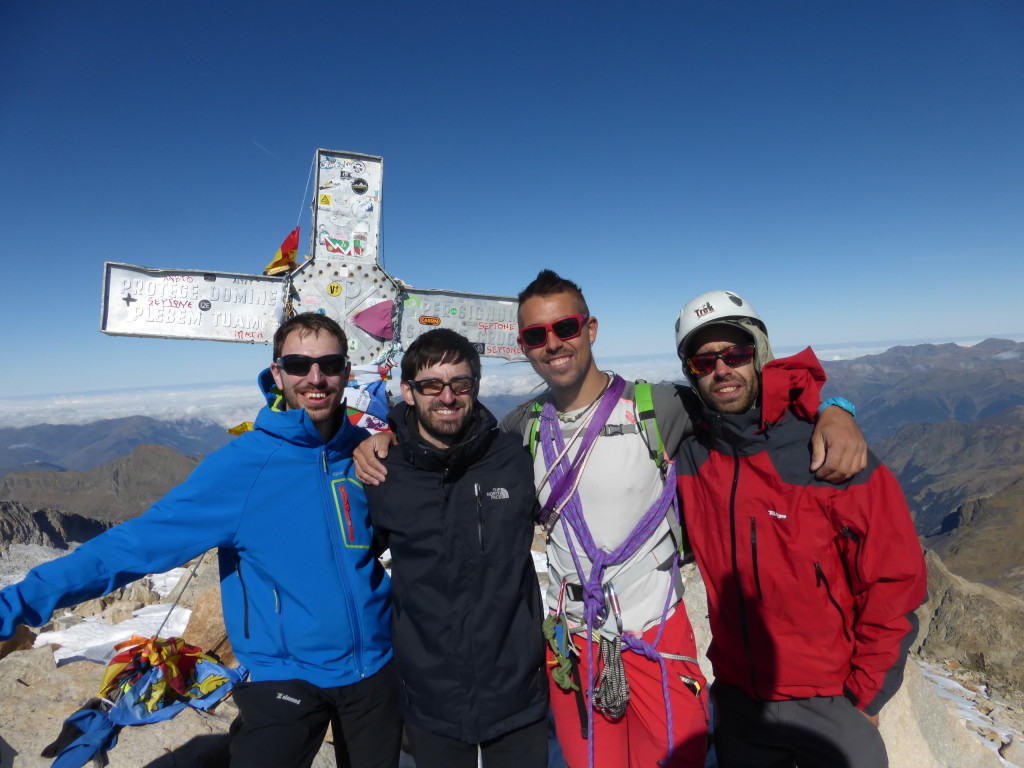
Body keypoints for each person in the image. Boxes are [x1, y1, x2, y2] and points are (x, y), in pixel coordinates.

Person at [357, 270, 867, 768]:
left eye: (566, 328)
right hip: (571, 647)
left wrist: (833, 407)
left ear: (590, 329)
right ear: (524, 346)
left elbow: (743, 404)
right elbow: (452, 446)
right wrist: (391, 437)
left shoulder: (658, 407)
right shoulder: (520, 429)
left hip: (653, 636)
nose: (553, 343)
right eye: (537, 334)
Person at [0, 313, 402, 768]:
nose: (315, 377)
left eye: (329, 364)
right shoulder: (243, 467)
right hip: (285, 677)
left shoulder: (365, 452)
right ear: (277, 374)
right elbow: (132, 545)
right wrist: (16, 603)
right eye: (298, 364)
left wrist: (391, 433)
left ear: (346, 372)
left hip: (376, 668)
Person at [672, 290, 927, 768]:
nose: (722, 370)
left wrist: (863, 699)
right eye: (703, 362)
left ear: (760, 354)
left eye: (736, 354)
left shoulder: (826, 454)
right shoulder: (692, 454)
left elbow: (894, 582)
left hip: (830, 702)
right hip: (739, 703)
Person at [364, 328, 548, 768]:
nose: (447, 397)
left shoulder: (513, 457)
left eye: (460, 384)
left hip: (516, 690)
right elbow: (355, 559)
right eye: (431, 385)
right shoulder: (383, 472)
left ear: (476, 387)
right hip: (431, 696)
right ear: (408, 392)